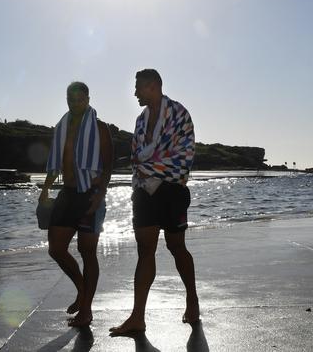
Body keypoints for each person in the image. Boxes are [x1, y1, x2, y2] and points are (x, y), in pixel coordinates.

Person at [110, 69, 199, 335]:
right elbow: (136, 156)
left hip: (172, 191)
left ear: (153, 86)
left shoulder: (180, 114)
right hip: (143, 192)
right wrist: (146, 170)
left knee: (176, 246)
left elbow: (184, 158)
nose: (135, 92)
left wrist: (149, 165)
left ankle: (192, 298)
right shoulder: (140, 119)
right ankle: (137, 317)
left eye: (138, 87)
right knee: (145, 251)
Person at [39, 81, 113, 327]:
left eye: (80, 99)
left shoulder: (99, 128)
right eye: (71, 99)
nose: (75, 104)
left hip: (89, 194)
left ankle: (87, 309)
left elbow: (108, 165)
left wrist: (100, 195)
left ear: (88, 99)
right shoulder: (62, 127)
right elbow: (56, 161)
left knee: (87, 251)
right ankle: (82, 290)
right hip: (68, 193)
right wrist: (46, 189)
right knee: (56, 249)